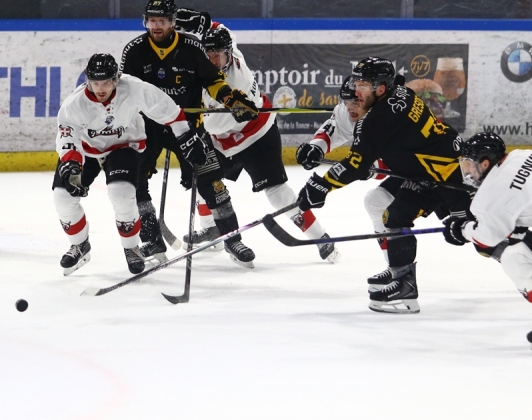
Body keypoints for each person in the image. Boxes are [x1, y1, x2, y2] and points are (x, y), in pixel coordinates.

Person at [296, 56, 471, 314]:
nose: (356, 92)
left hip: (445, 176)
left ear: (379, 88)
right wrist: (319, 152)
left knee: (483, 234)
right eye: (355, 84)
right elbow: (361, 148)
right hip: (420, 171)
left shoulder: (378, 118)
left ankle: (521, 253)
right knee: (382, 206)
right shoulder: (395, 91)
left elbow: (355, 164)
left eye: (362, 86)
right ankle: (400, 276)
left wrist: (321, 185)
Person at [120, 0, 259, 268]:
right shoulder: (134, 51)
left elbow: (213, 81)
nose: (156, 26)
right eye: (151, 20)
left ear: (173, 22)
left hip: (187, 128)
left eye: (162, 21)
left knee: (213, 182)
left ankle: (232, 237)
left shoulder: (192, 48)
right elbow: (126, 91)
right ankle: (151, 238)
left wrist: (232, 100)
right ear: (145, 21)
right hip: (148, 128)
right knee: (135, 180)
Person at [190, 24, 339, 262]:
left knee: (278, 193)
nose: (213, 60)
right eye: (209, 54)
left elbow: (212, 126)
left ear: (228, 54)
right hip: (223, 142)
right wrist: (202, 23)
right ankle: (212, 229)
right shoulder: (230, 48)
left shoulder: (238, 80)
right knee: (202, 180)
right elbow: (223, 29)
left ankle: (321, 238)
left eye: (217, 55)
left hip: (257, 135)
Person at [53, 53, 207, 275]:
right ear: (88, 81)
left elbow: (168, 109)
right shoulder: (74, 104)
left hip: (124, 146)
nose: (101, 88)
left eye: (106, 82)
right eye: (95, 83)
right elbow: (67, 136)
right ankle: (79, 244)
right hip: (87, 149)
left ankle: (131, 248)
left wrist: (186, 136)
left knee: (121, 192)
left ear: (116, 78)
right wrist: (72, 164)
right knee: (63, 196)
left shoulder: (133, 88)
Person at [296, 75, 399, 265]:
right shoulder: (347, 112)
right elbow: (334, 130)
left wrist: (372, 167)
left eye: (356, 101)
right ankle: (396, 269)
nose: (350, 107)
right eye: (346, 102)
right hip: (406, 170)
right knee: (375, 203)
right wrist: (315, 148)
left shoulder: (385, 117)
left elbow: (398, 161)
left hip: (427, 168)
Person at [442, 133, 532, 343]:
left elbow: (487, 239)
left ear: (484, 163)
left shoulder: (489, 197)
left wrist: (462, 229)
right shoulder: (519, 155)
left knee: (514, 257)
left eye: (469, 165)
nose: (467, 171)